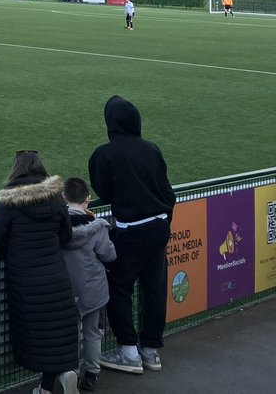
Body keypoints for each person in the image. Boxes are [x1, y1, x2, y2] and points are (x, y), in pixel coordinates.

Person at [88, 96, 175, 375]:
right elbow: (167, 190)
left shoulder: (105, 153)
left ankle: (129, 351)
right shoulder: (152, 149)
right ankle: (150, 351)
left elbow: (105, 191)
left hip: (132, 230)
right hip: (160, 226)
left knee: (118, 287)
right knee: (155, 287)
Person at [0, 151, 79, 394]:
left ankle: (49, 386)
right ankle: (55, 380)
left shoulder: (8, 202)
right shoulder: (56, 198)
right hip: (55, 274)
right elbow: (66, 235)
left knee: (38, 334)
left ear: (16, 170)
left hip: (25, 278)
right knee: (57, 332)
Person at [61, 177, 116, 392]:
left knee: (70, 333)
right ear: (88, 199)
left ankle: (70, 373)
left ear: (64, 197)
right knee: (93, 333)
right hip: (92, 290)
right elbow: (109, 255)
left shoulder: (56, 226)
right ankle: (91, 374)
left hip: (67, 289)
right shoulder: (98, 227)